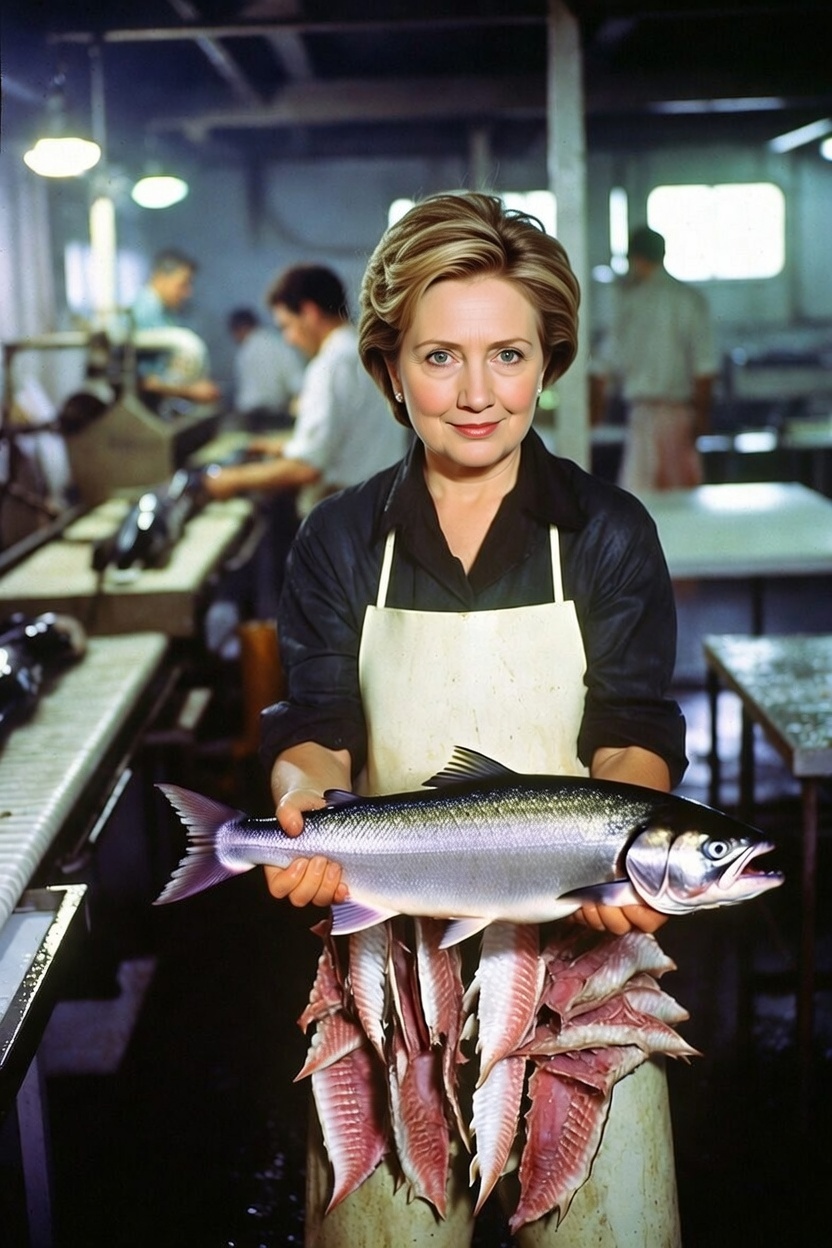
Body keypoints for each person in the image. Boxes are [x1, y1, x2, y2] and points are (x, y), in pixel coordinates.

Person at [257, 194, 687, 1246]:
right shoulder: (341, 539)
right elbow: (315, 728)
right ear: (387, 372)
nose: (477, 394)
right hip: (388, 962)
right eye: (440, 358)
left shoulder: (606, 531)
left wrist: (626, 860)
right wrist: (302, 802)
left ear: (549, 362)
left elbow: (631, 730)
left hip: (580, 964)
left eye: (508, 355)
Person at [202, 264, 408, 513]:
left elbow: (307, 467)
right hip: (381, 500)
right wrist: (275, 445)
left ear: (309, 313)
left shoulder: (328, 366)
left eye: (287, 325)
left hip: (348, 512)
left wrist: (229, 480)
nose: (288, 339)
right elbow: (343, 437)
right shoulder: (367, 353)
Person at [589, 225, 717, 492]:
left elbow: (602, 365)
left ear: (634, 258)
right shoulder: (690, 300)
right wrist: (702, 419)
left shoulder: (629, 302)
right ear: (663, 254)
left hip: (643, 415)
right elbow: (704, 369)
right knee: (682, 499)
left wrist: (594, 415)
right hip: (680, 415)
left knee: (642, 500)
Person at [130, 247, 221, 408]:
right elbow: (145, 381)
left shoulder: (164, 315)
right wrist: (192, 390)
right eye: (183, 284)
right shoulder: (145, 313)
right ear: (159, 278)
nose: (188, 293)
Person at [226, 306, 303, 431]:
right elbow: (297, 383)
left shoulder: (244, 352)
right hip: (276, 416)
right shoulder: (277, 344)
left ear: (242, 329)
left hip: (250, 419)